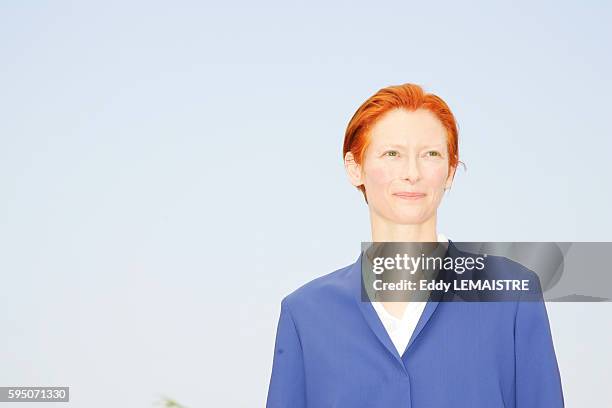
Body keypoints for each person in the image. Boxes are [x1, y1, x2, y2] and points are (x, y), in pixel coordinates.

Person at [265, 83, 564, 407]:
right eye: (392, 154)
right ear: (355, 168)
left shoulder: (511, 296)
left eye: (430, 154)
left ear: (450, 171)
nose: (412, 173)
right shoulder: (305, 314)